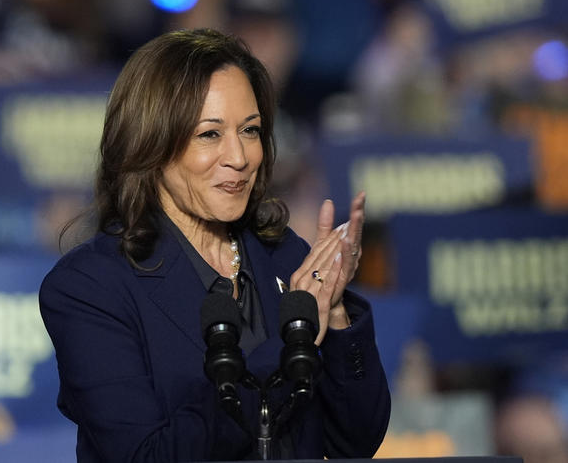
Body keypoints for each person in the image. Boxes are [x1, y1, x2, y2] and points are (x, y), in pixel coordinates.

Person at [39, 28, 390, 462]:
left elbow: (356, 440)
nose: (240, 157)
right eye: (210, 134)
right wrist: (293, 340)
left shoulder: (286, 258)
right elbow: (143, 456)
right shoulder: (89, 287)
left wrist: (334, 312)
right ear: (151, 141)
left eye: (250, 130)